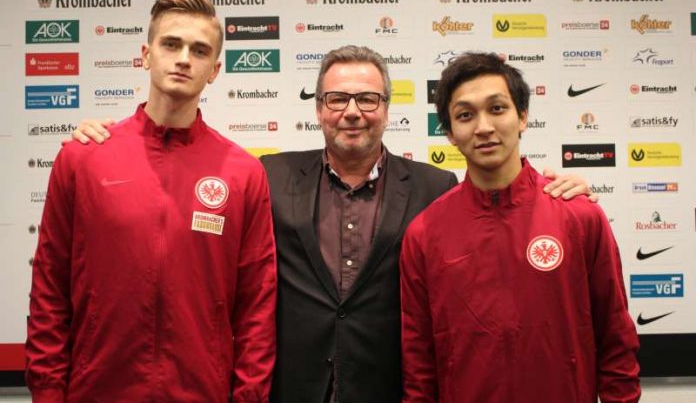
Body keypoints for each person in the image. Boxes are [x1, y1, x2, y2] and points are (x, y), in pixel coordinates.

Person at [70, 45, 592, 403]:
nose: (352, 111)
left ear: (387, 109)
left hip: (385, 389)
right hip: (289, 390)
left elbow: (496, 217)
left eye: (368, 99)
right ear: (318, 109)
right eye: (337, 99)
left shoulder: (438, 189)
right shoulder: (262, 176)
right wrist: (114, 138)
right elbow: (183, 193)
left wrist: (555, 189)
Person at [25, 0, 277, 402]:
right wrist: (49, 393)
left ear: (213, 71)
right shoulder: (83, 158)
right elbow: (50, 288)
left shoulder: (243, 173)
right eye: (171, 44)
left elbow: (256, 307)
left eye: (199, 51)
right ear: (145, 54)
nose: (183, 59)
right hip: (96, 392)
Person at [400, 52, 640, 403]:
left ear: (523, 116)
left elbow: (616, 338)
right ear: (450, 133)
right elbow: (418, 363)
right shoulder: (424, 234)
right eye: (465, 115)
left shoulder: (579, 216)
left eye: (497, 109)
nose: (483, 127)